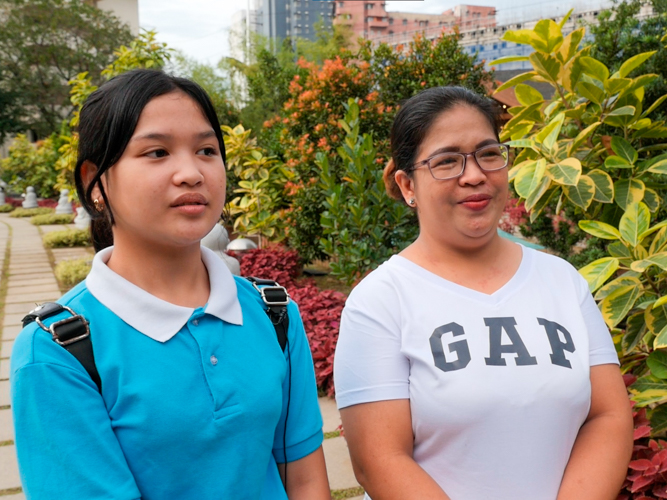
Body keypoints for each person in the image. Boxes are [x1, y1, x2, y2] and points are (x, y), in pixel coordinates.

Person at [11, 69, 330, 500]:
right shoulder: (57, 352)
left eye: (206, 150)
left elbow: (305, 479)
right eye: (158, 152)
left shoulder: (272, 313)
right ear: (95, 183)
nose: (191, 173)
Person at [333, 86, 633, 500]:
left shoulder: (562, 280)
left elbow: (609, 415)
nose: (474, 175)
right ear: (407, 185)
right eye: (447, 161)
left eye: (488, 154)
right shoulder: (380, 300)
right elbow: (378, 459)